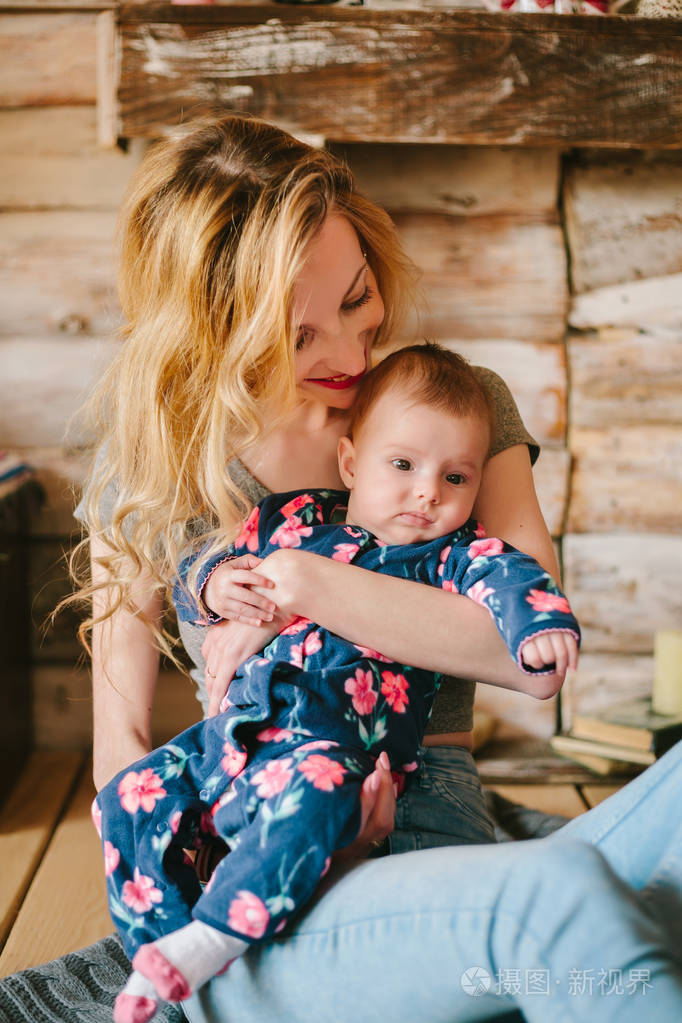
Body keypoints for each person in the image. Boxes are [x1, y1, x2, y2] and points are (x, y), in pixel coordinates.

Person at [2, 113, 679, 1023]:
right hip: (262, 850)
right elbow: (119, 749)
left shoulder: (453, 411)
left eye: (359, 300)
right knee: (554, 901)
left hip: (434, 799)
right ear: (215, 329)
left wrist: (305, 579)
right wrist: (237, 844)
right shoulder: (160, 451)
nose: (352, 355)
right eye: (300, 333)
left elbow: (518, 649)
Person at [94, 344, 580, 1022]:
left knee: (320, 799)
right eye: (403, 465)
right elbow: (203, 570)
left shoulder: (451, 553)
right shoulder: (294, 521)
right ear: (352, 463)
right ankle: (164, 949)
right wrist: (212, 583)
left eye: (456, 478)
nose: (427, 493)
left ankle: (213, 941)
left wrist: (541, 626)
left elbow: (516, 580)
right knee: (126, 797)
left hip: (342, 752)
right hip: (235, 744)